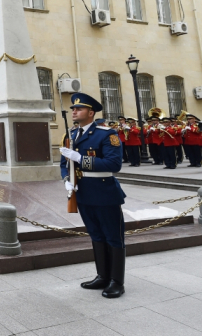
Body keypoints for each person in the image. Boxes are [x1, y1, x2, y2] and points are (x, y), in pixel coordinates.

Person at [59, 93, 126, 299]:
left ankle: (116, 281)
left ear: (90, 113)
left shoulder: (106, 134)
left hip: (104, 192)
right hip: (83, 192)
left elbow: (114, 164)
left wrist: (80, 158)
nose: (74, 111)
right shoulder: (72, 134)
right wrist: (66, 179)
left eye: (78, 109)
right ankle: (102, 276)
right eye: (72, 109)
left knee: (113, 237)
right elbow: (64, 163)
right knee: (96, 235)